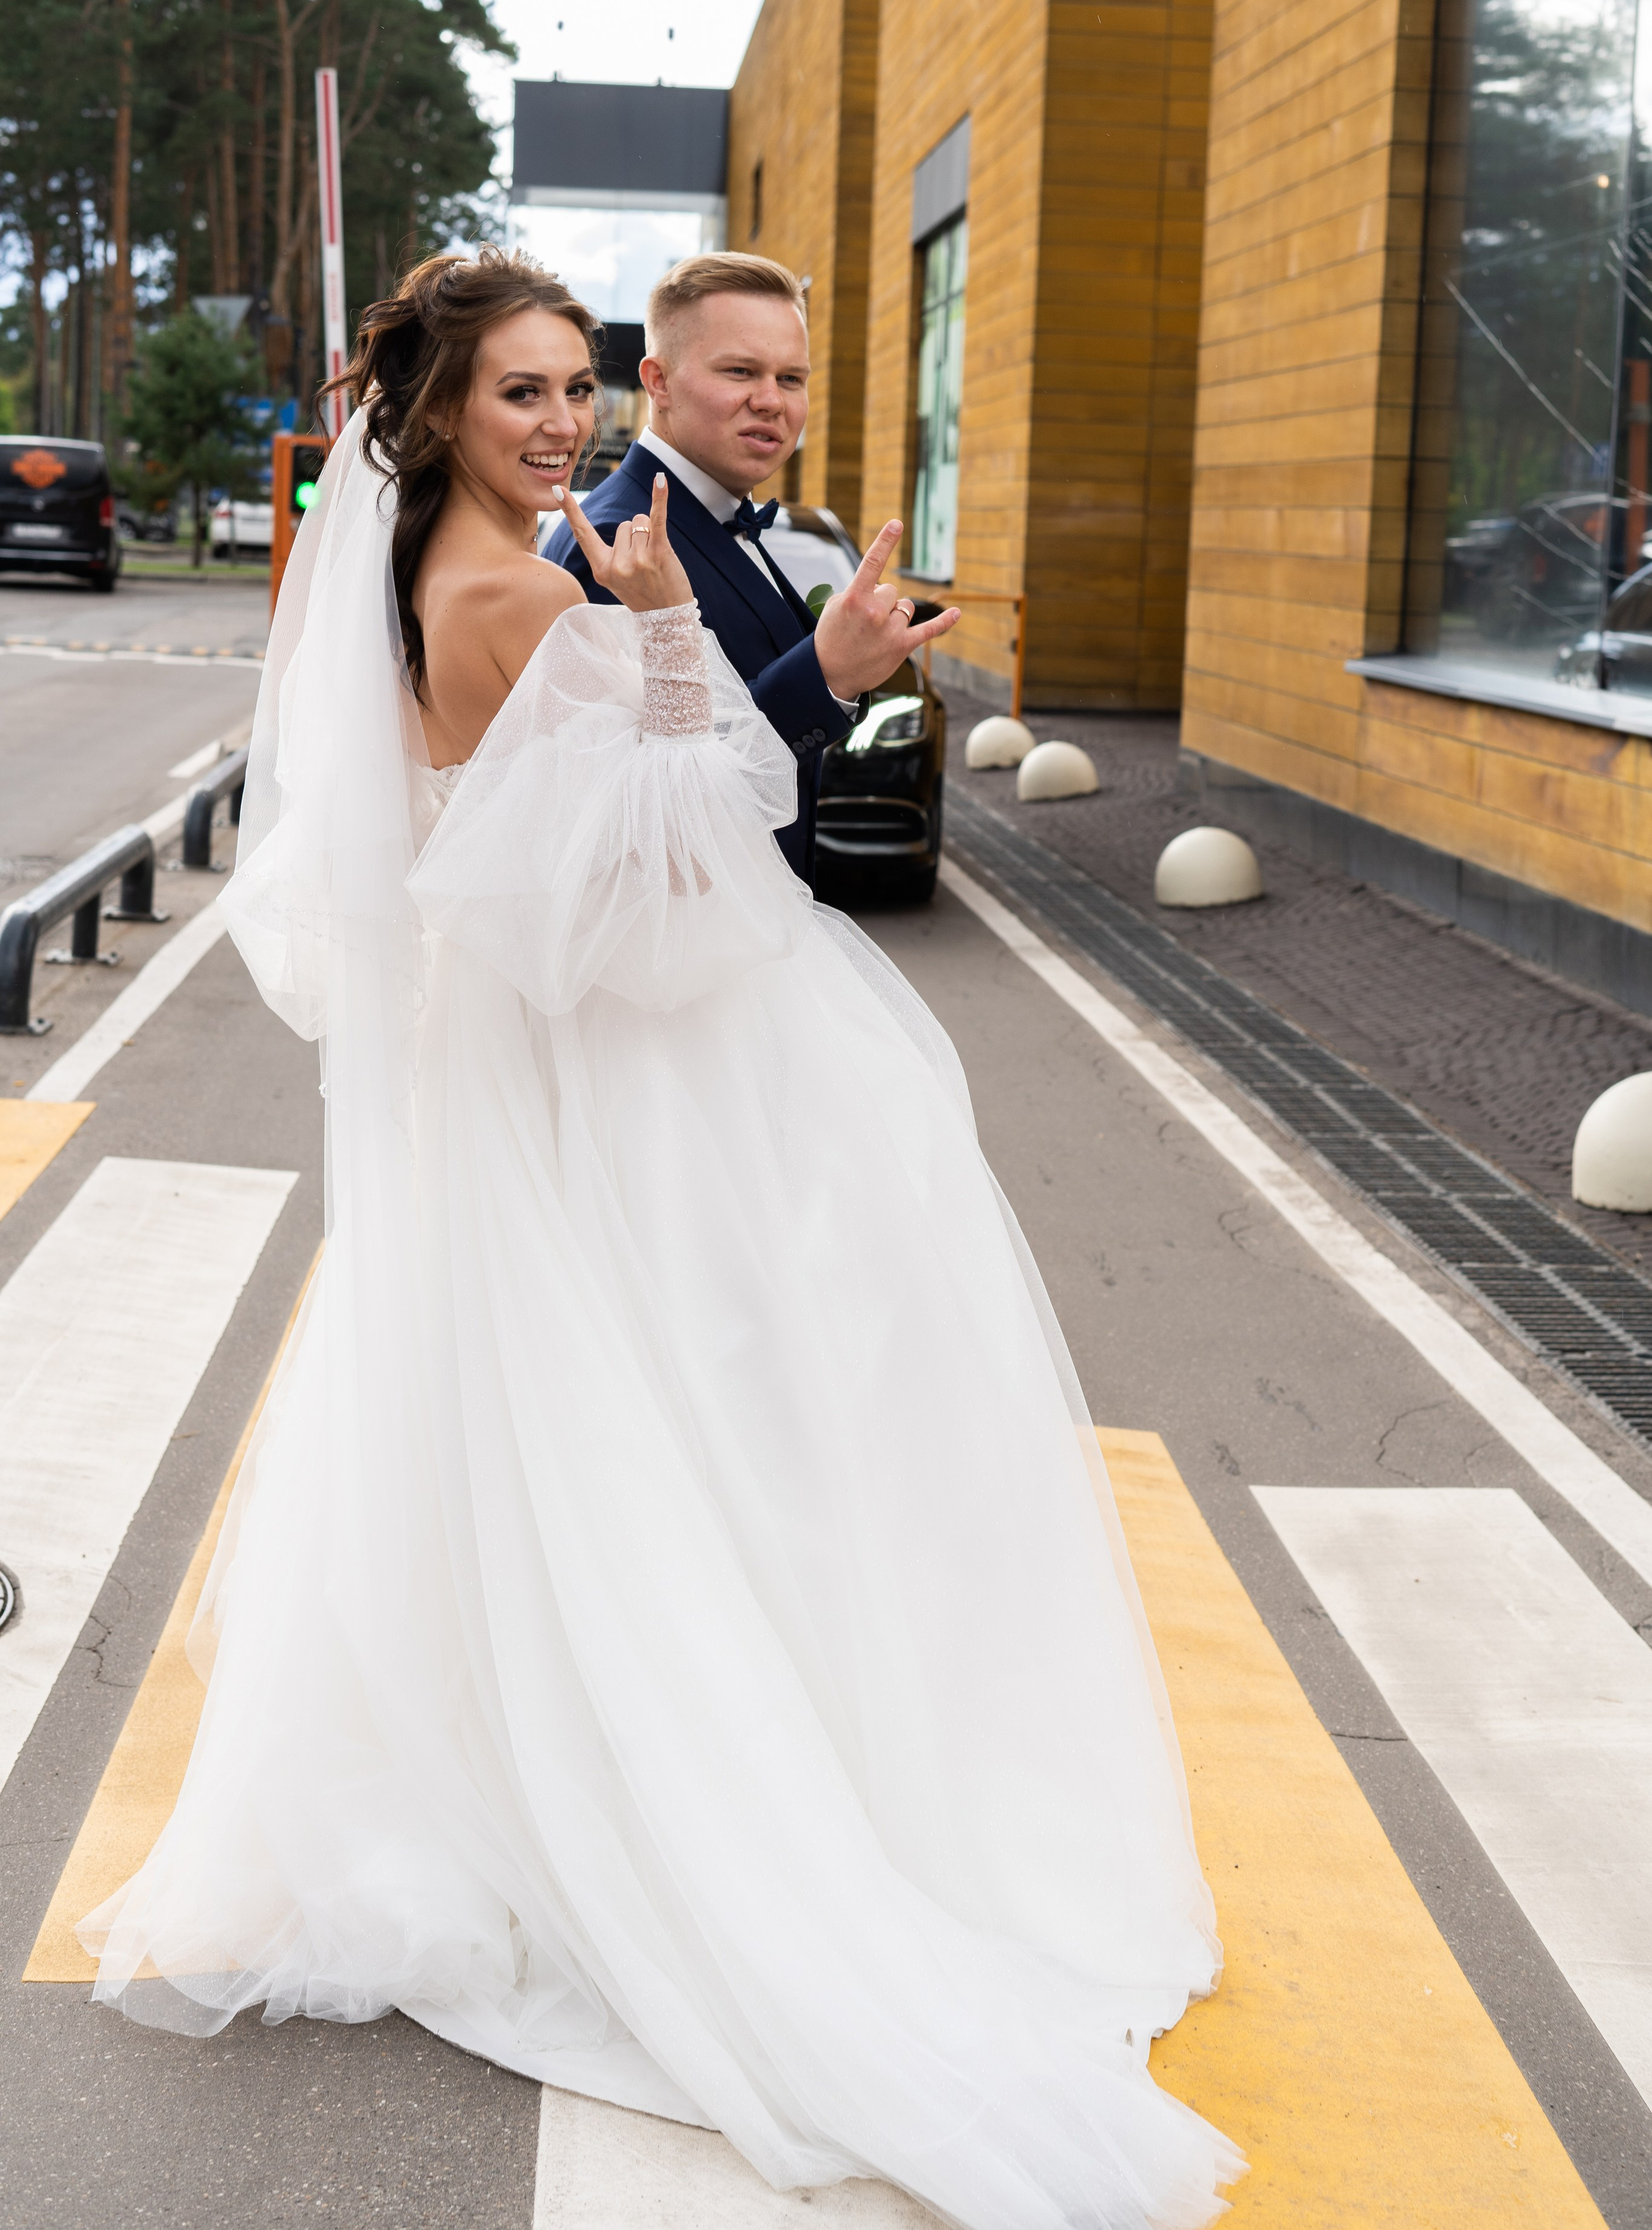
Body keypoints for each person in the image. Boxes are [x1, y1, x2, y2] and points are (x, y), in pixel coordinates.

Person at [81, 248, 1242, 2230]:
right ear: (439, 408)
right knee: (653, 1439)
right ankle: (656, 1798)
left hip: (488, 1076)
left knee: (507, 1432)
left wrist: (660, 648)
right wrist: (685, 640)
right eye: (523, 393)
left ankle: (487, 1783)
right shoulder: (532, 599)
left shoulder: (409, 581)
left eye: (575, 390)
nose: (564, 426)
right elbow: (661, 887)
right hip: (603, 1075)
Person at [545, 250, 958, 883]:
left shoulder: (719, 516)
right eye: (740, 371)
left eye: (791, 379)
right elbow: (634, 805)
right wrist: (827, 674)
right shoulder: (617, 543)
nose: (770, 401)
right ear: (658, 382)